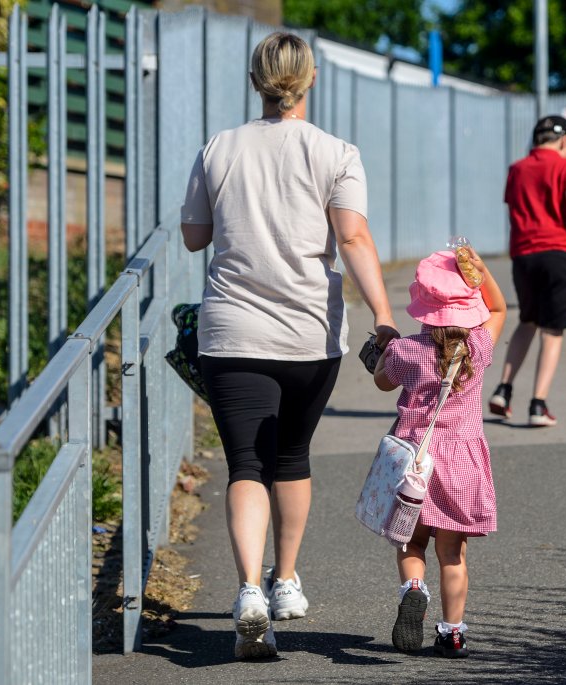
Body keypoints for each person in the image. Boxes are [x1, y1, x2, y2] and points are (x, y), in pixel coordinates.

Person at [180, 32, 398, 660]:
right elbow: (353, 239)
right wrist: (382, 316)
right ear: (311, 79)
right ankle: (285, 580)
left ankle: (248, 591)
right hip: (309, 334)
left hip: (232, 332)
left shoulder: (218, 148)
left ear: (256, 79)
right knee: (293, 455)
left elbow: (196, 236)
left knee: (246, 462)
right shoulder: (337, 152)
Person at [373, 247, 506, 658]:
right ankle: (452, 632)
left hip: (415, 463)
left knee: (411, 545)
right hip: (461, 465)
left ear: (423, 308)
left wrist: (386, 345)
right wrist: (480, 272)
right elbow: (499, 309)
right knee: (453, 553)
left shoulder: (406, 352)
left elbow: (381, 382)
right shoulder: (479, 348)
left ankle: (414, 588)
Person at [489, 114, 566, 427]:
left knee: (527, 321)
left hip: (524, 257)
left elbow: (514, 211)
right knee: (552, 331)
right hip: (557, 254)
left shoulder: (516, 170)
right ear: (565, 141)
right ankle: (538, 405)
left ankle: (503, 389)